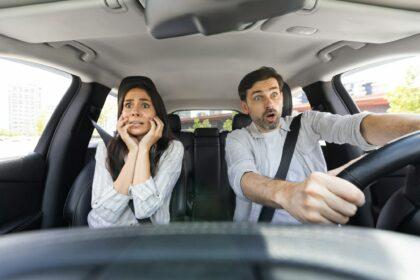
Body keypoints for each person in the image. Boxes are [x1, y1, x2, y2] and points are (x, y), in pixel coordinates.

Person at [225, 66, 420, 224]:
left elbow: (356, 126)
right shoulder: (238, 138)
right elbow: (243, 177)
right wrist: (287, 193)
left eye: (274, 94)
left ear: (282, 98)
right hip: (260, 238)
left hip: (321, 234)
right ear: (245, 106)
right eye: (258, 97)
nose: (269, 103)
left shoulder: (307, 122)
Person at [88, 76, 184, 228]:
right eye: (128, 105)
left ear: (157, 114)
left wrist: (144, 148)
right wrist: (133, 152)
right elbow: (103, 213)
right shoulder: (105, 147)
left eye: (145, 105)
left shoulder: (172, 149)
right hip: (104, 236)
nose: (135, 112)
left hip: (147, 237)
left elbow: (143, 210)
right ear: (121, 113)